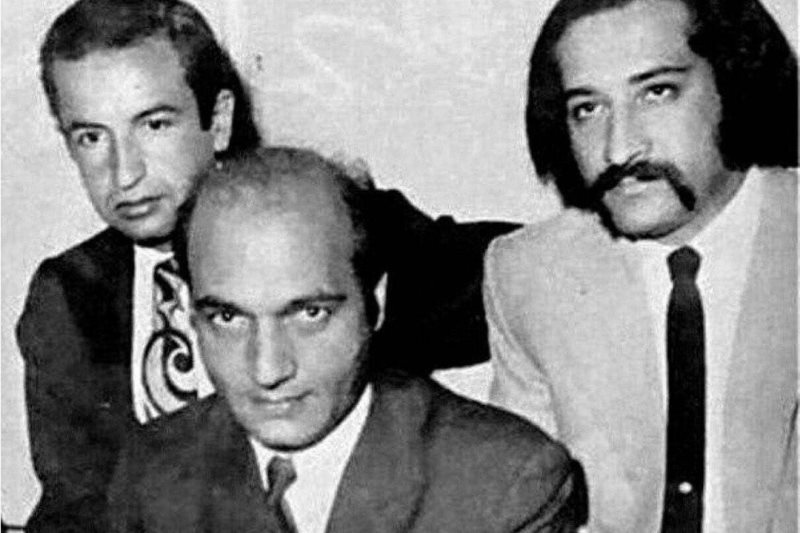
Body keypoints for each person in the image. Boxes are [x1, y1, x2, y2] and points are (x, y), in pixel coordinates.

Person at [17, 0, 516, 530]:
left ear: (219, 121)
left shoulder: (336, 231)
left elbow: (532, 269)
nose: (124, 173)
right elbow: (76, 504)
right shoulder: (70, 293)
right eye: (91, 137)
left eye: (154, 124)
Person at [107, 146, 587, 532]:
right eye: (228, 318)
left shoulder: (505, 484)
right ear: (190, 312)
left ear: (374, 301)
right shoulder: (152, 473)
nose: (268, 369)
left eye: (309, 314)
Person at [484, 0, 797, 531]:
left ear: (735, 85)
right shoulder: (528, 272)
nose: (619, 148)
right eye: (588, 108)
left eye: (657, 93)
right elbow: (525, 503)